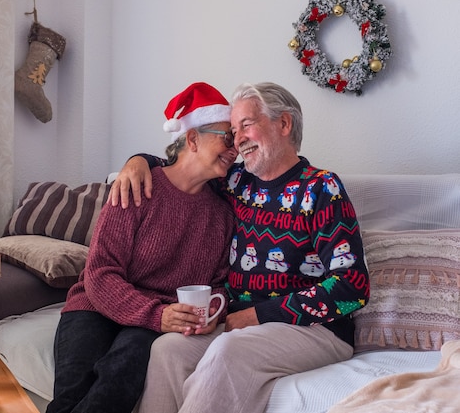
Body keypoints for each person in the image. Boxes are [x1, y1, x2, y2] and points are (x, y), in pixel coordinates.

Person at [110, 82, 370, 413]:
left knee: (229, 350)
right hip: (240, 322)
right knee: (168, 351)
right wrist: (139, 160)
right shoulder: (236, 182)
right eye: (233, 131)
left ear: (284, 124)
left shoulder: (321, 187)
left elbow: (353, 287)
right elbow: (182, 165)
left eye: (246, 125)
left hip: (317, 330)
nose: (238, 140)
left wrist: (260, 315)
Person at [46, 82, 237, 413]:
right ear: (192, 138)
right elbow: (100, 271)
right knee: (72, 391)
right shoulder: (138, 186)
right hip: (95, 304)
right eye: (226, 137)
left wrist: (212, 313)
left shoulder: (222, 213)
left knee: (121, 375)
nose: (234, 149)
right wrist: (156, 314)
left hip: (154, 319)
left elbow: (219, 282)